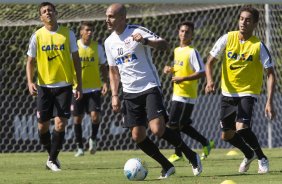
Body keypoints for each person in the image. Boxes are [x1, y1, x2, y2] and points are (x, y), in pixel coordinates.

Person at [104, 3, 202, 179]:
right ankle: (167, 166)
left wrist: (145, 41)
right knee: (137, 136)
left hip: (149, 86)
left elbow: (164, 45)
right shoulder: (109, 42)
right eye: (107, 16)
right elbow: (113, 71)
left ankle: (191, 155)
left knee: (157, 129)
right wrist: (115, 95)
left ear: (122, 18)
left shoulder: (138, 30)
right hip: (129, 93)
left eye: (111, 16)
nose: (107, 20)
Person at [205, 5, 276, 174]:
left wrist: (269, 101)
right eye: (241, 19)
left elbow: (271, 74)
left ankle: (262, 158)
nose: (243, 22)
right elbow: (209, 62)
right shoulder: (227, 38)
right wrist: (209, 80)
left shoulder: (258, 46)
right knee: (226, 135)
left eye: (248, 20)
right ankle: (248, 153)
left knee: (242, 127)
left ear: (255, 24)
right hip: (227, 92)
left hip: (247, 92)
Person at [26, 2, 82, 171]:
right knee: (42, 127)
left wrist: (78, 84)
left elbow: (76, 60)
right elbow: (30, 61)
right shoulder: (37, 36)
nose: (48, 12)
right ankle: (51, 156)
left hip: (64, 85)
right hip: (44, 86)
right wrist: (30, 82)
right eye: (44, 11)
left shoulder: (68, 34)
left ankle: (52, 159)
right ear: (41, 17)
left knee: (60, 124)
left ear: (56, 13)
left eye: (50, 10)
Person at [163, 21, 214, 162]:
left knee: (174, 125)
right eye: (182, 31)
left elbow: (202, 72)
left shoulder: (193, 52)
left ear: (192, 36)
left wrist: (183, 78)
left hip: (188, 95)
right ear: (178, 33)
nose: (184, 34)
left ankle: (179, 153)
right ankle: (204, 143)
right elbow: (180, 67)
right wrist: (170, 69)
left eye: (187, 32)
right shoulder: (176, 50)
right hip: (177, 93)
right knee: (179, 125)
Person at [72, 21, 108, 157]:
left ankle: (93, 138)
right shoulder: (74, 47)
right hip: (77, 89)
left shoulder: (97, 48)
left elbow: (103, 66)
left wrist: (105, 82)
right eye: (87, 30)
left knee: (95, 116)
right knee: (77, 119)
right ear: (81, 32)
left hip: (94, 88)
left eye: (91, 30)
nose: (89, 32)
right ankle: (80, 147)